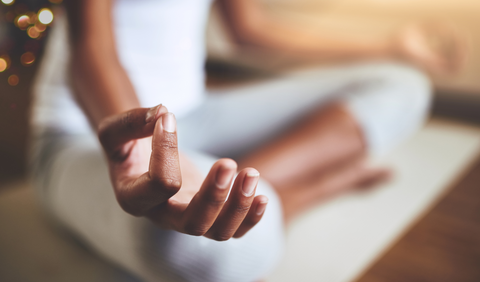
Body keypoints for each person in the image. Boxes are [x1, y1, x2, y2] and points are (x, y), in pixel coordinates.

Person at [30, 0, 465, 281]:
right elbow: (92, 47)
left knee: (402, 86)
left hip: (198, 114)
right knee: (202, 257)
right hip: (83, 134)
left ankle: (239, 190)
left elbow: (250, 29)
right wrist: (143, 153)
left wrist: (390, 44)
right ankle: (305, 190)